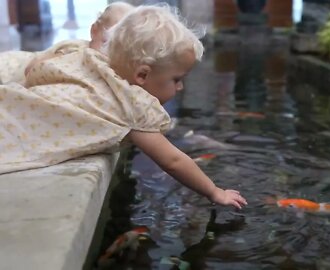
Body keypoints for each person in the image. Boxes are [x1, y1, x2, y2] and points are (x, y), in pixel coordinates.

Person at [0, 5, 248, 209]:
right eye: (177, 79)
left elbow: (37, 70)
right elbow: (173, 161)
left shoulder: (92, 59)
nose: (180, 88)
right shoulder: (131, 104)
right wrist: (215, 192)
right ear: (142, 75)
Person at [0, 1, 134, 84]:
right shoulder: (74, 50)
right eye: (107, 43)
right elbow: (32, 69)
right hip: (13, 67)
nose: (111, 54)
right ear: (93, 31)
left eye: (121, 49)